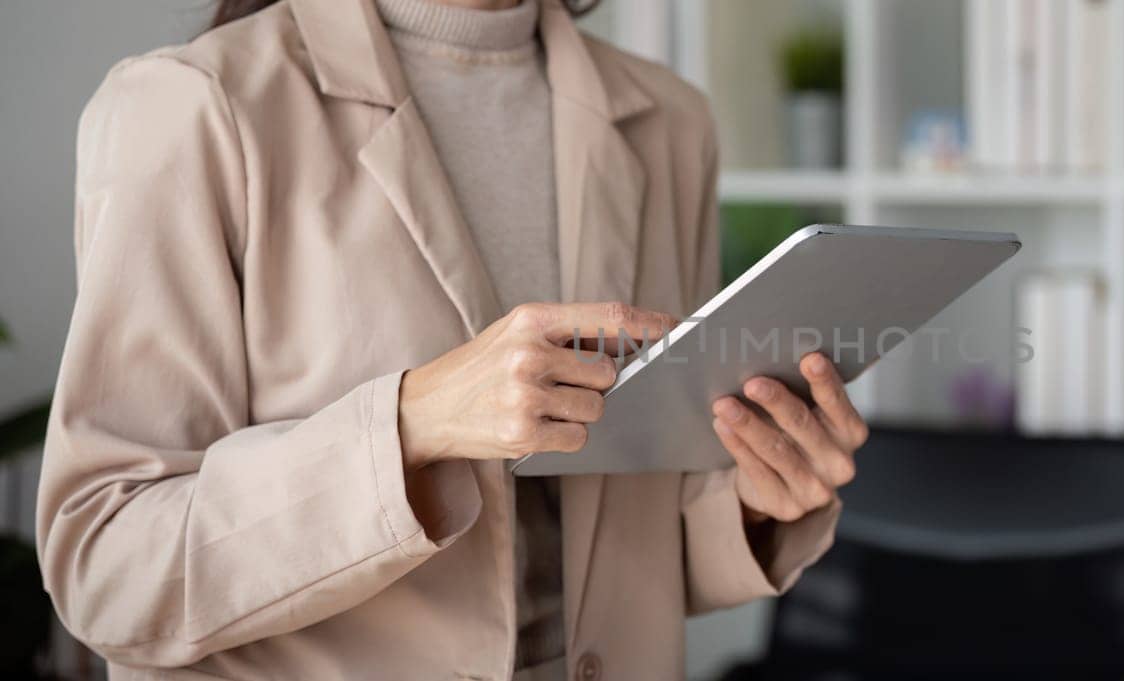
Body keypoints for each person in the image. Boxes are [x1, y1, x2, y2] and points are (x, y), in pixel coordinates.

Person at [34, 0, 867, 679]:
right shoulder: (189, 105)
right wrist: (412, 421)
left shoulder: (672, 123)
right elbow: (105, 564)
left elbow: (631, 546)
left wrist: (758, 498)